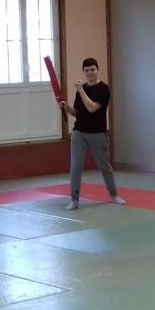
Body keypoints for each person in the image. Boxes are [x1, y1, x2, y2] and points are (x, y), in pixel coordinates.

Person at [61, 57, 125, 210]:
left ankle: (114, 194)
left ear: (97, 70)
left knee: (104, 166)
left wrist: (80, 90)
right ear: (83, 72)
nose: (90, 72)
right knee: (76, 167)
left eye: (92, 69)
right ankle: (74, 199)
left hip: (97, 133)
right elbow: (77, 112)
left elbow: (91, 108)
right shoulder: (81, 89)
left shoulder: (103, 89)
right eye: (87, 70)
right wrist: (66, 107)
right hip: (79, 132)